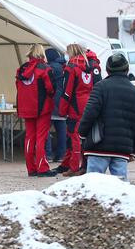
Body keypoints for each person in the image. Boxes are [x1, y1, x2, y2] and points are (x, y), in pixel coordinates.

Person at [79, 53, 135, 181]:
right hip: (122, 148)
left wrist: (82, 133)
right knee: (121, 188)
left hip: (98, 146)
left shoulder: (100, 87)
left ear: (108, 70)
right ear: (127, 69)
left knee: (94, 186)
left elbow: (90, 113)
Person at [15, 44, 56, 177]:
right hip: (42, 108)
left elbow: (18, 86)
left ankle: (31, 168)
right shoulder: (45, 69)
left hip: (26, 108)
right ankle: (42, 168)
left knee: (29, 138)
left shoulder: (21, 69)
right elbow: (51, 88)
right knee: (41, 137)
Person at [56, 43, 94, 177]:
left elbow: (67, 91)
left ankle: (73, 167)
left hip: (75, 106)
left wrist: (62, 109)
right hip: (89, 104)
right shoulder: (89, 65)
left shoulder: (71, 67)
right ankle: (85, 166)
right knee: (85, 137)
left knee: (74, 138)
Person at [45, 47, 68, 163]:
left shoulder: (49, 68)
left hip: (51, 102)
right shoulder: (64, 67)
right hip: (62, 102)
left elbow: (48, 86)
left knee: (46, 130)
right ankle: (61, 155)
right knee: (62, 131)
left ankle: (48, 155)